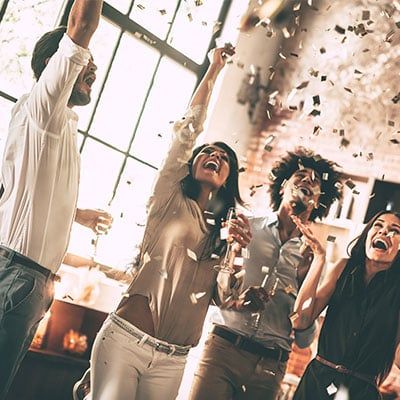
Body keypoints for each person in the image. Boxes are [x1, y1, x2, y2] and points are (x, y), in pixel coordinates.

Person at [74, 45, 252, 400]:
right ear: (191, 165)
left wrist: (236, 251)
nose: (214, 155)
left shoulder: (226, 230)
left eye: (223, 158)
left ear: (229, 181)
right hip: (126, 340)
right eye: (207, 153)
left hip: (175, 360)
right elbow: (188, 131)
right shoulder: (169, 195)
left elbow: (226, 297)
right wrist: (214, 69)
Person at [0, 1, 112, 397]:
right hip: (17, 276)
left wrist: (76, 214)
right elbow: (82, 22)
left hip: (29, 280)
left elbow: (21, 190)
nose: (94, 70)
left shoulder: (52, 122)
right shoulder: (44, 108)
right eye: (86, 62)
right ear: (55, 64)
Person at [189, 148, 343, 400]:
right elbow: (216, 295)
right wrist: (234, 251)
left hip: (270, 367)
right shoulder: (244, 227)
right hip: (223, 350)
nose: (307, 181)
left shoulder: (314, 256)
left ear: (318, 201)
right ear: (283, 186)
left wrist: (306, 280)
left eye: (315, 182)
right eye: (301, 175)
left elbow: (304, 339)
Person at [291, 210, 400, 400]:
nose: (383, 232)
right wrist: (319, 259)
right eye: (378, 225)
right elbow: (300, 320)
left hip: (361, 393)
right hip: (317, 383)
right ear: (367, 234)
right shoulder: (343, 267)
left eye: (394, 230)